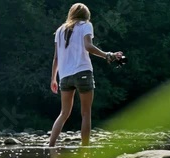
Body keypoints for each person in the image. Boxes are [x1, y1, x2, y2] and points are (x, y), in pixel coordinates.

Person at [49, 3, 123, 147]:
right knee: (86, 113)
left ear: (71, 14)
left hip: (64, 76)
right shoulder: (85, 25)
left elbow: (56, 58)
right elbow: (88, 46)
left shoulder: (59, 30)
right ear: (86, 15)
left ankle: (50, 146)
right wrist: (108, 55)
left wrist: (53, 78)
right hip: (82, 71)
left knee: (63, 113)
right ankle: (85, 148)